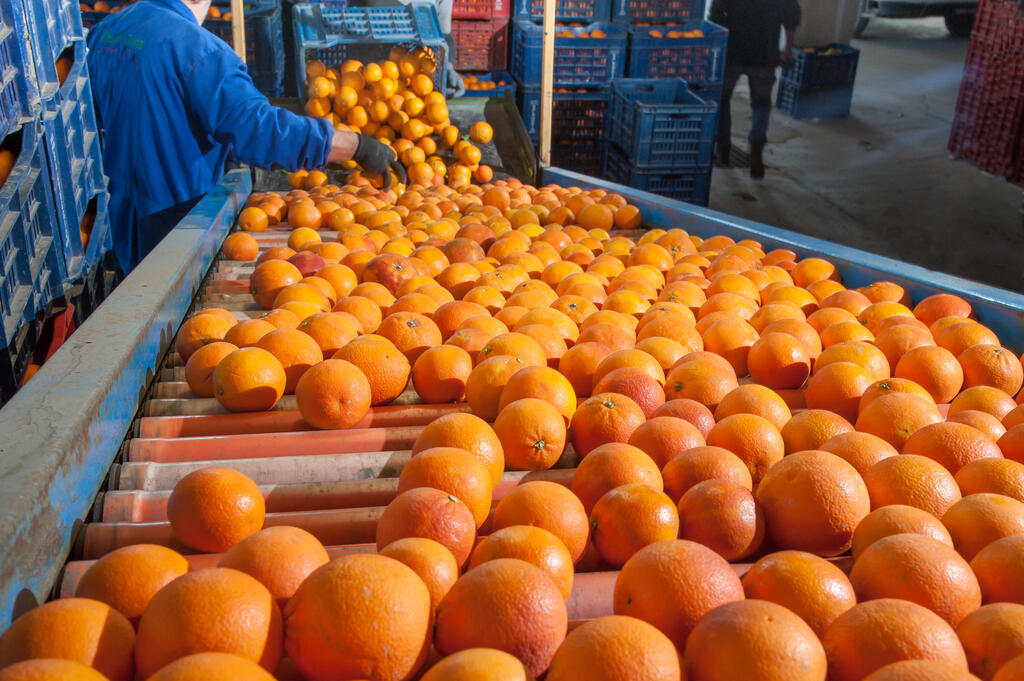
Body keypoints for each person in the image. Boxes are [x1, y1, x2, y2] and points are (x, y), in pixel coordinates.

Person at [87, 0, 406, 273]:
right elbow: (258, 130)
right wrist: (356, 145)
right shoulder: (200, 51)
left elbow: (93, 119)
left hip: (124, 222)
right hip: (177, 225)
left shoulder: (108, 32)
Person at [710, 0, 801, 179]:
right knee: (761, 104)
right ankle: (756, 150)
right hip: (765, 54)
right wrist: (788, 50)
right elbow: (792, 17)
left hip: (732, 53)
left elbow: (715, 17)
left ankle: (723, 148)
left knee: (721, 99)